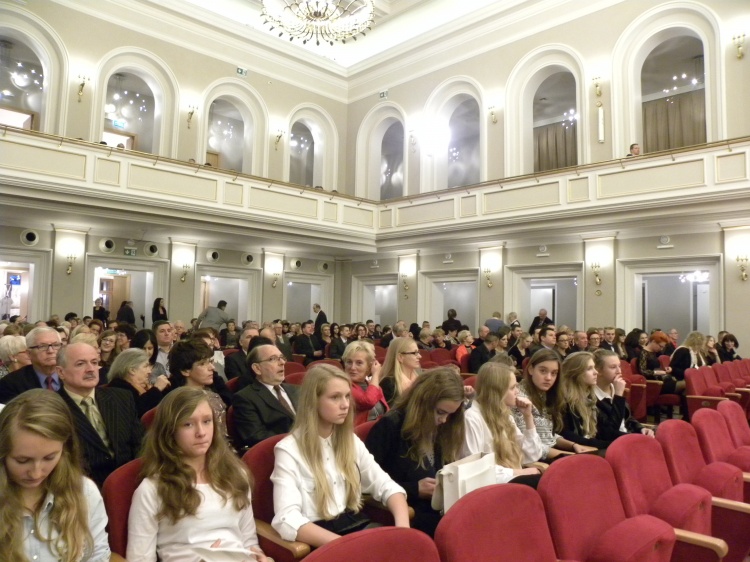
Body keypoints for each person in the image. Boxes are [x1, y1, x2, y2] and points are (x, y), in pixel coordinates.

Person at [271, 365, 408, 547]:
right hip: (321, 538)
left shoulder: (349, 440)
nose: (345, 405)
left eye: (347, 396)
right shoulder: (289, 450)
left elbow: (386, 485)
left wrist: (403, 530)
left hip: (355, 524)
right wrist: (345, 546)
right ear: (314, 401)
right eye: (335, 397)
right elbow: (287, 518)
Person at [127, 387, 268, 562]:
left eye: (207, 421)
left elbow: (248, 540)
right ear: (170, 431)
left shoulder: (236, 474)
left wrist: (258, 556)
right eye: (188, 424)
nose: (201, 432)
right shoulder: (152, 489)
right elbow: (140, 558)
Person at [0, 390, 111, 562]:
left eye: (49, 458)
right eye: (22, 461)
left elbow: (97, 554)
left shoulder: (84, 492)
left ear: (65, 449)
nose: (36, 473)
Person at [366, 367, 465, 537]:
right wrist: (415, 489)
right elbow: (366, 489)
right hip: (409, 511)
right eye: (440, 412)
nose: (444, 420)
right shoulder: (390, 426)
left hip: (437, 508)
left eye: (450, 415)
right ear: (423, 403)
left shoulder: (442, 428)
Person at [56, 342, 144, 488]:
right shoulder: (53, 408)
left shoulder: (121, 398)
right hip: (80, 489)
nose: (91, 369)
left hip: (130, 484)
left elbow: (139, 445)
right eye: (80, 364)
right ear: (61, 372)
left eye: (94, 362)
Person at [462, 362, 543, 486]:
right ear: (497, 392)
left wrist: (528, 417)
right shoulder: (471, 418)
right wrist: (519, 473)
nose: (517, 392)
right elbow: (475, 470)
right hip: (489, 488)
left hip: (509, 481)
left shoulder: (505, 416)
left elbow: (532, 454)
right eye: (512, 388)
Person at [512, 350, 597, 461]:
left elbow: (548, 436)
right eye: (543, 371)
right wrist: (568, 454)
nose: (548, 378)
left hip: (550, 453)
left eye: (554, 373)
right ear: (531, 369)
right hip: (534, 459)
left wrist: (573, 445)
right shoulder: (520, 398)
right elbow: (530, 445)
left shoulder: (546, 395)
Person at [232, 344, 300, 449]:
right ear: (257, 368)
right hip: (280, 450)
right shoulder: (245, 398)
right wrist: (297, 440)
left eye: (282, 357)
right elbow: (256, 436)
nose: (282, 362)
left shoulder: (297, 390)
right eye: (273, 359)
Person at [593, 349, 653, 441]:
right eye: (613, 367)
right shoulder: (592, 397)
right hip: (613, 442)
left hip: (626, 436)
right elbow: (610, 431)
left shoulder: (614, 387)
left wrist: (640, 428)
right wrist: (618, 396)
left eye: (619, 366)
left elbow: (626, 418)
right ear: (598, 371)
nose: (619, 371)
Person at [559, 352, 610, 450]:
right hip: (576, 451)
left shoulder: (591, 396)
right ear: (575, 373)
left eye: (594, 367)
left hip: (591, 446)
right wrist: (608, 445)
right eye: (589, 368)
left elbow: (606, 429)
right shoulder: (563, 401)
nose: (596, 372)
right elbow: (569, 436)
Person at [0, 327, 63, 404]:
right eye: (42, 346)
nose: (51, 351)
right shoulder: (11, 383)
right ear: (29, 353)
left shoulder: (71, 375)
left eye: (56, 345)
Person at [107, 348, 170, 417]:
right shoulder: (119, 389)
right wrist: (156, 389)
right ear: (132, 370)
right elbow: (136, 411)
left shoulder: (140, 387)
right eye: (145, 366)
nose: (150, 371)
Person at [168, 340, 232, 408]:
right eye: (202, 364)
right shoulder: (176, 402)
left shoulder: (216, 383)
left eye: (210, 361)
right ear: (185, 371)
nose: (212, 367)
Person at [343, 340, 388, 425]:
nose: (352, 367)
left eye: (359, 363)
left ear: (369, 366)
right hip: (357, 432)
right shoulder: (344, 386)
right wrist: (375, 374)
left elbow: (387, 412)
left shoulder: (373, 385)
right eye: (349, 362)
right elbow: (369, 401)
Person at [380, 336, 421, 406]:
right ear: (400, 357)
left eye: (418, 352)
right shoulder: (389, 384)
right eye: (414, 353)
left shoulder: (420, 378)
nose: (420, 356)